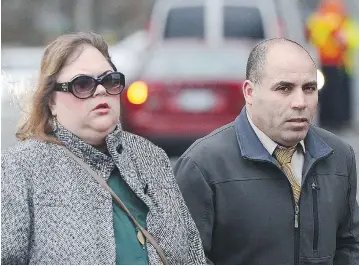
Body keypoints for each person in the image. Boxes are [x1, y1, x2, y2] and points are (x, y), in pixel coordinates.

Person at [1, 32, 207, 265]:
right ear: (51, 101)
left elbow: (191, 255)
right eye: (82, 84)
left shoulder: (151, 157)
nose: (100, 91)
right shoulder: (20, 167)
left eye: (109, 81)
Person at [174, 38, 359, 264]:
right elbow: (181, 258)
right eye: (284, 88)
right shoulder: (202, 166)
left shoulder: (339, 156)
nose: (300, 102)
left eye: (309, 88)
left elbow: (350, 244)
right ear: (250, 92)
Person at [306, 0, 359, 130]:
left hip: (339, 63)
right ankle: (333, 119)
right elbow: (312, 36)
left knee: (338, 93)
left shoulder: (340, 21)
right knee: (331, 92)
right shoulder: (322, 20)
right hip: (327, 63)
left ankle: (338, 119)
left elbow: (351, 39)